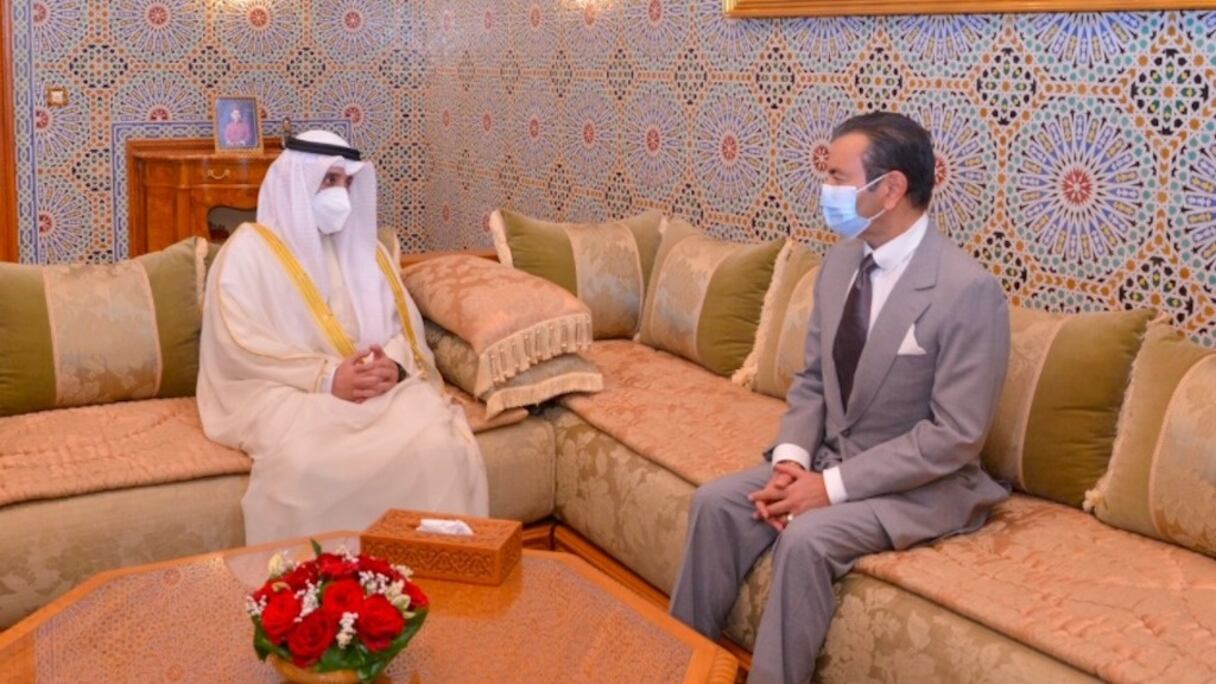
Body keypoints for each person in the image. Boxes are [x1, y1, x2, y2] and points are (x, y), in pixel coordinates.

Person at [669, 112, 1011, 684]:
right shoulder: (839, 263)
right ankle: (678, 667)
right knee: (715, 503)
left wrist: (827, 490)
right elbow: (811, 381)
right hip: (824, 462)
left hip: (920, 487)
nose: (826, 191)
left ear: (892, 188)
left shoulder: (968, 291)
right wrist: (790, 464)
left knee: (806, 538)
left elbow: (955, 435)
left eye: (837, 177)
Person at [198, 129, 489, 545]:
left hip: (376, 388)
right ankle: (319, 595)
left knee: (436, 442)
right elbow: (238, 342)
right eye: (330, 180)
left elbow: (402, 327)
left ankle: (426, 578)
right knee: (306, 461)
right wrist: (328, 378)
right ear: (297, 183)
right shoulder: (248, 250)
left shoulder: (367, 251)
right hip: (287, 391)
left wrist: (393, 367)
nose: (341, 194)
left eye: (348, 182)